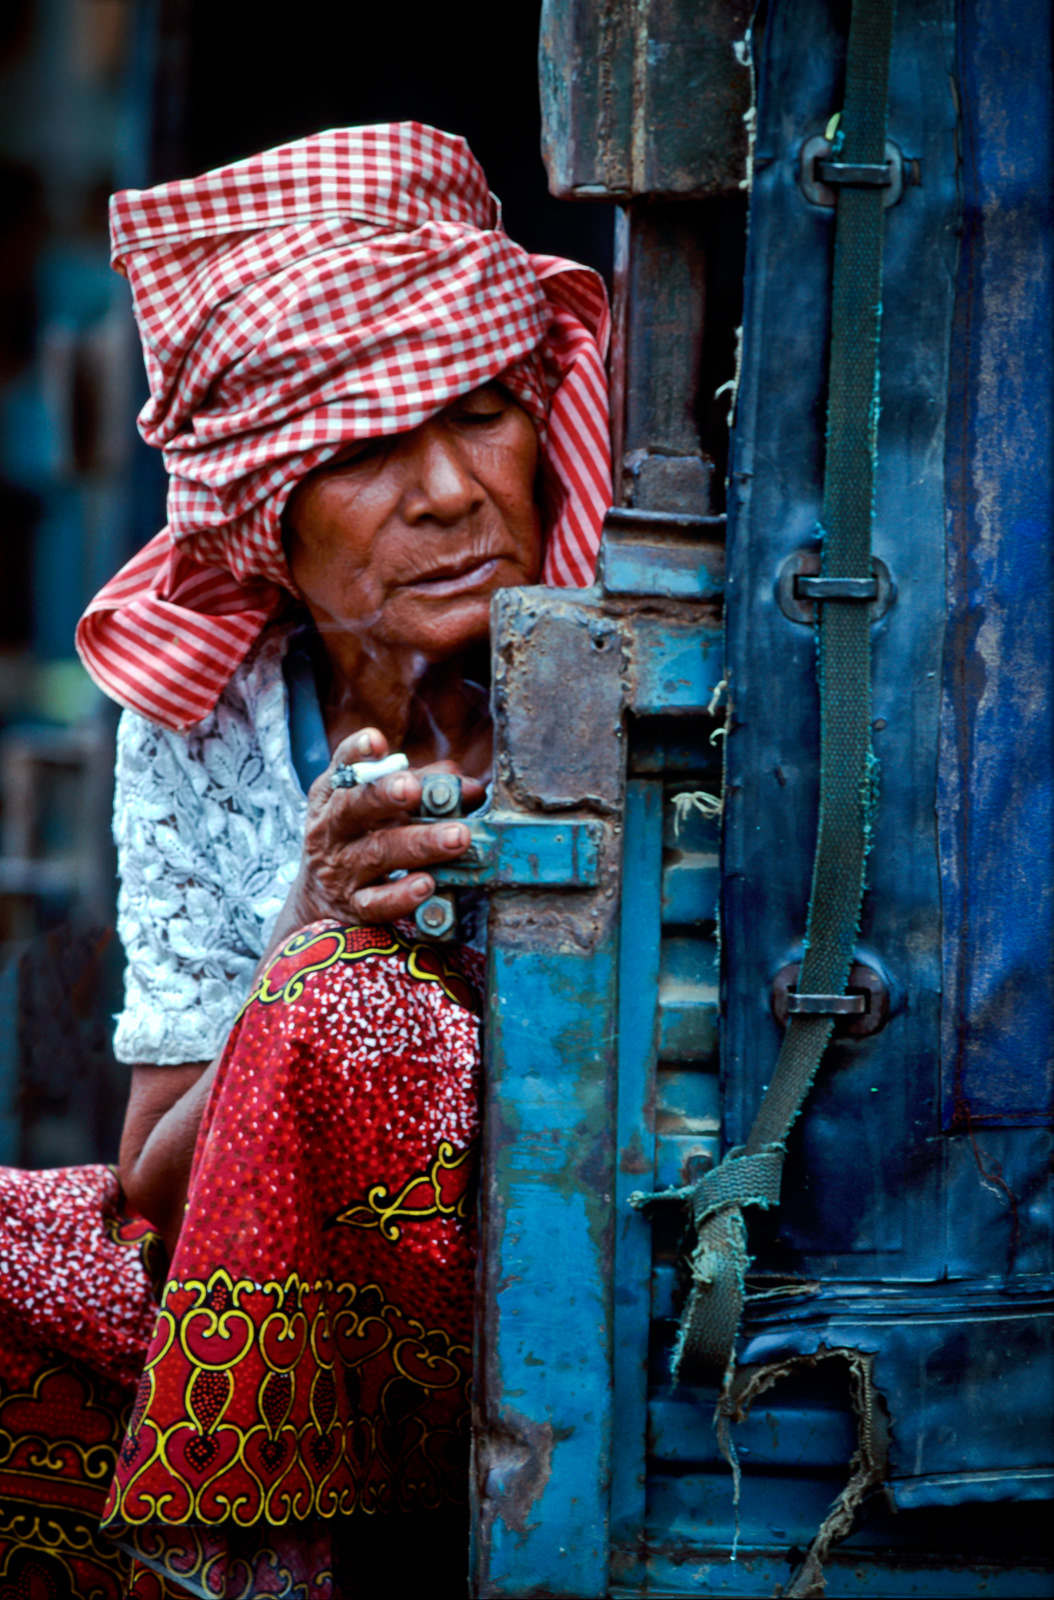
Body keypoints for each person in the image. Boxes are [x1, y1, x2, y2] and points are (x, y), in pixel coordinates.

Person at [0, 124, 610, 1600]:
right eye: (365, 448)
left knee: (354, 1006)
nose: (453, 492)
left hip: (555, 1283)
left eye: (478, 412)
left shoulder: (632, 680)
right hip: (275, 1291)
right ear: (268, 511)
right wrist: (308, 919)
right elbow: (154, 1182)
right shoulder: (206, 718)